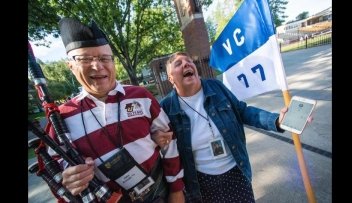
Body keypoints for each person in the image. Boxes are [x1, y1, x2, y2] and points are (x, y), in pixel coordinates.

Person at [46, 17, 185, 203]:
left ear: (112, 62)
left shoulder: (141, 96)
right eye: (85, 59)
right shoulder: (61, 118)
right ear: (70, 65)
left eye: (104, 58)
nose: (97, 66)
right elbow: (54, 169)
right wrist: (67, 179)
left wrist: (176, 190)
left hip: (159, 191)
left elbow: (169, 142)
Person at [153, 52, 289, 203]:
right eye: (178, 64)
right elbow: (154, 144)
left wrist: (276, 121)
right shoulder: (166, 107)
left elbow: (242, 111)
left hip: (236, 172)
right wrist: (155, 139)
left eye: (189, 61)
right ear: (171, 78)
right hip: (199, 183)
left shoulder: (216, 87)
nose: (186, 64)